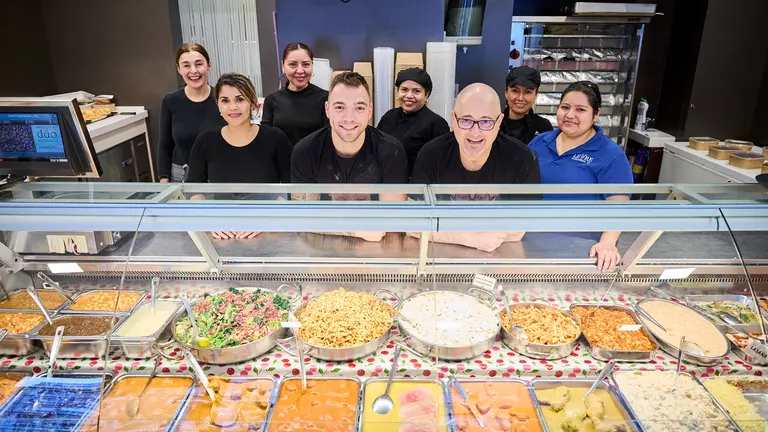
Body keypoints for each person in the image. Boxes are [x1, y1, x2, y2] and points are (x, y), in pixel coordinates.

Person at [409, 83, 541, 252]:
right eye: (466, 120)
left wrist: (442, 229)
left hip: (501, 257)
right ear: (453, 120)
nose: (475, 132)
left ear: (499, 121)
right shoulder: (431, 155)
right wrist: (469, 238)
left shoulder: (522, 159)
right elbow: (413, 223)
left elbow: (520, 228)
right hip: (441, 255)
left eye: (486, 122)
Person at [528, 81, 633, 271]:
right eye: (565, 107)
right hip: (529, 240)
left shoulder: (610, 154)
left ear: (596, 114)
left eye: (580, 110)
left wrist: (608, 243)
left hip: (579, 247)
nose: (570, 115)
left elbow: (620, 206)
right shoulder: (539, 142)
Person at [291, 71, 408, 242]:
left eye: (359, 108)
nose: (349, 118)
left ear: (370, 111)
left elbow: (392, 220)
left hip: (378, 251)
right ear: (327, 110)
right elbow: (304, 218)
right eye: (339, 107)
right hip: (320, 250)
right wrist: (356, 230)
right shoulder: (305, 151)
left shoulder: (391, 151)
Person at [187, 73, 293, 240]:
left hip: (269, 232)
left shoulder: (275, 138)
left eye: (240, 99)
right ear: (218, 105)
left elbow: (291, 188)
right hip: (224, 233)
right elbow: (194, 189)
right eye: (225, 100)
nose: (233, 107)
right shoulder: (205, 141)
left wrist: (268, 220)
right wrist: (210, 220)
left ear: (252, 103)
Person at [157, 43, 226, 182]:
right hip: (180, 177)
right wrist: (163, 180)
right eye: (186, 65)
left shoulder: (223, 100)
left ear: (209, 66)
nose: (193, 71)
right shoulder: (170, 101)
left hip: (216, 176)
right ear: (179, 69)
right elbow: (165, 144)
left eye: (199, 64)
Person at [376, 68, 450, 174]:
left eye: (417, 91)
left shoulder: (437, 124)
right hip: (386, 184)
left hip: (417, 187)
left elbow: (441, 167)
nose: (409, 96)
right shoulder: (389, 117)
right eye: (404, 90)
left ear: (426, 95)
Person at [261, 43, 329, 146]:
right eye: (293, 64)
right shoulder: (271, 100)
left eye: (306, 64)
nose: (300, 71)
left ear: (312, 66)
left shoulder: (325, 98)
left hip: (314, 160)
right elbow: (266, 140)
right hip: (281, 161)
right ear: (283, 67)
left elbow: (328, 139)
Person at [499, 66, 553, 144]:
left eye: (528, 92)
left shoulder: (544, 127)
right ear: (506, 92)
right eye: (515, 91)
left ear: (536, 94)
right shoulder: (493, 125)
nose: (520, 98)